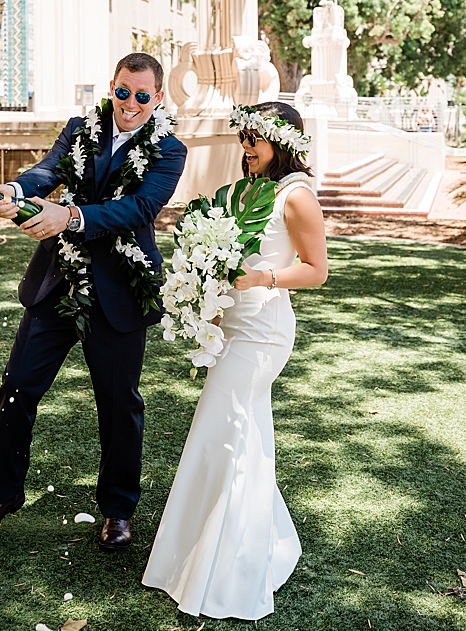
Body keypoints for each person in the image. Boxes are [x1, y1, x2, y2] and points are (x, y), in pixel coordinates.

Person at [0, 52, 187, 552]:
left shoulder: (171, 150)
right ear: (112, 87)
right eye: (123, 92)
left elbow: (141, 207)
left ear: (158, 97)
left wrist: (71, 217)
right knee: (17, 388)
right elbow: (48, 171)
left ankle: (118, 511)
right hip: (56, 282)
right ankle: (0, 500)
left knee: (119, 405)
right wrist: (16, 188)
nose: (130, 104)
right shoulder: (80, 128)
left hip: (120, 292)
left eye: (142, 96)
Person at [142, 102, 327, 620]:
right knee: (236, 433)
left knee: (226, 430)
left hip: (264, 330)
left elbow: (317, 270)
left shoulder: (297, 197)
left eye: (255, 140)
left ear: (282, 142)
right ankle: (242, 546)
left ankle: (230, 569)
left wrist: (261, 278)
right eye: (243, 138)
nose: (246, 148)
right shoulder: (243, 190)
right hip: (231, 325)